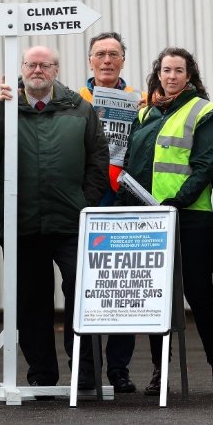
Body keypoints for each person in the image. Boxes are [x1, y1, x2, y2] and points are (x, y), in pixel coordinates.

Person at [0, 45, 109, 391]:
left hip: (72, 224)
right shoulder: (1, 108)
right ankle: (42, 377)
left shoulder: (80, 109)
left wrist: (85, 201)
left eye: (44, 65)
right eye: (31, 64)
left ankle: (86, 376)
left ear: (56, 69)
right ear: (20, 69)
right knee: (31, 306)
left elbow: (98, 158)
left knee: (81, 297)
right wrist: (1, 113)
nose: (37, 70)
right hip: (22, 225)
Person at [115, 47, 213, 395]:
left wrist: (175, 203)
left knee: (199, 294)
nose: (171, 76)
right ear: (159, 74)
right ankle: (158, 372)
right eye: (166, 70)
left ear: (190, 75)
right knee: (157, 298)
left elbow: (205, 165)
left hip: (190, 217)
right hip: (150, 219)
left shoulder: (205, 111)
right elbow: (134, 168)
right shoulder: (146, 114)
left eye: (179, 70)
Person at [77, 31, 144, 394]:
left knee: (122, 284)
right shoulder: (73, 101)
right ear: (89, 61)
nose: (106, 60)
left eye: (113, 54)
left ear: (123, 60)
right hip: (87, 199)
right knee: (84, 286)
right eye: (99, 54)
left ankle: (118, 369)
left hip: (125, 200)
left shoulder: (141, 101)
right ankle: (87, 368)